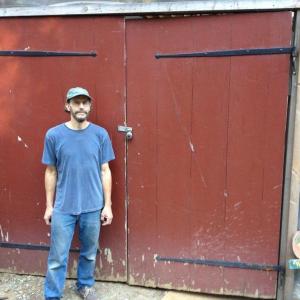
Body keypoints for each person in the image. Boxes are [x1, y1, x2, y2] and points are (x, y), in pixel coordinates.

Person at [42, 87, 115, 300]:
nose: (81, 106)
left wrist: (107, 205)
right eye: (76, 102)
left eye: (85, 102)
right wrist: (49, 205)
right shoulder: (54, 135)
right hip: (64, 206)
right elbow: (50, 171)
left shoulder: (100, 134)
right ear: (68, 106)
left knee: (90, 253)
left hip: (93, 206)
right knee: (57, 258)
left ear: (90, 106)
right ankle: (53, 295)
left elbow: (105, 170)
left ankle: (84, 285)